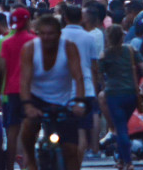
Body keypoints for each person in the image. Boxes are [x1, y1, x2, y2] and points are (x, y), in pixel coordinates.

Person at [20, 14, 86, 170]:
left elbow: (78, 78)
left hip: (64, 101)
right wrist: (28, 105)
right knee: (28, 127)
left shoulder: (69, 48)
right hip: (37, 98)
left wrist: (80, 102)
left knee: (71, 150)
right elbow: (24, 81)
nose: (46, 37)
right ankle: (30, 160)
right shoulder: (30, 49)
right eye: (42, 33)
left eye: (50, 34)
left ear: (59, 34)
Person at [98, 24, 143, 170]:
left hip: (113, 94)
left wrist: (103, 85)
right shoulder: (131, 50)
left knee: (121, 128)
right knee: (123, 126)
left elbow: (99, 74)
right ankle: (121, 159)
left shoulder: (104, 55)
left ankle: (128, 162)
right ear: (122, 36)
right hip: (132, 93)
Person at [62, 4, 99, 167]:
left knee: (65, 133)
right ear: (81, 18)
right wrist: (96, 85)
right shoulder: (89, 38)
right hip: (87, 88)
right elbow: (94, 66)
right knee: (82, 131)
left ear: (65, 18)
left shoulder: (59, 36)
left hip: (64, 91)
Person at [1, 7, 36, 170]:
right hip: (31, 90)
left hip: (12, 90)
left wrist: (2, 91)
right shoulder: (34, 40)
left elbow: (4, 68)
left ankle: (9, 166)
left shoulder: (6, 43)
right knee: (30, 129)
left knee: (12, 131)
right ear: (28, 20)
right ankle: (28, 164)